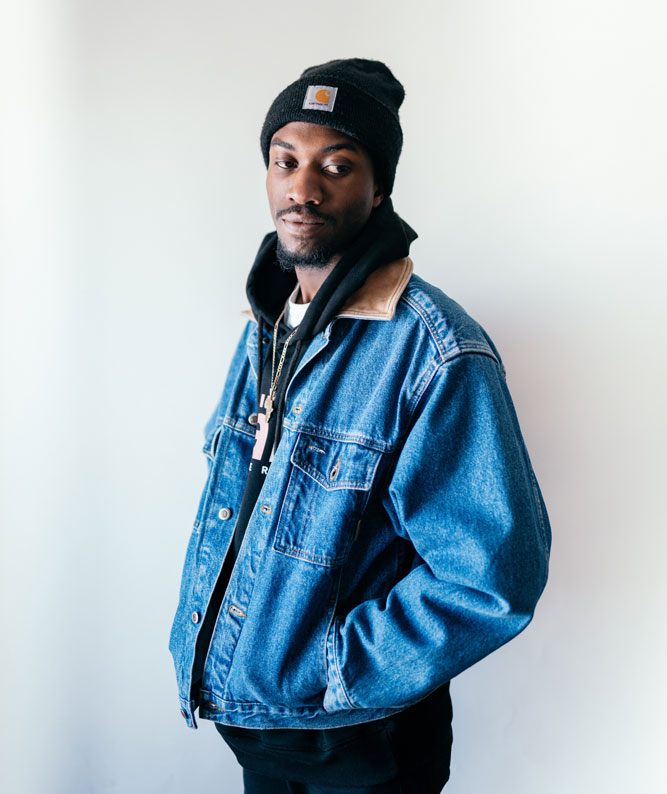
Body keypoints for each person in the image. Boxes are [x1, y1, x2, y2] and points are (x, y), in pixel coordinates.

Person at [169, 58, 551, 794]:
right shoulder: (270, 326)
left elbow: (491, 577)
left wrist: (331, 668)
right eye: (286, 160)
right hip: (264, 734)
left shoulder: (434, 351)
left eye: (337, 165)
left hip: (356, 748)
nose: (302, 187)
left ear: (380, 189)